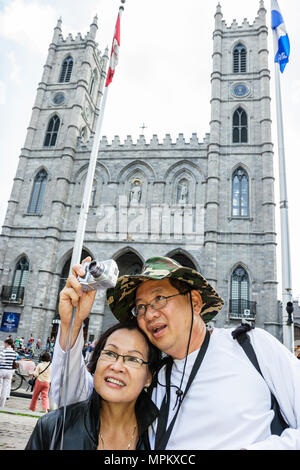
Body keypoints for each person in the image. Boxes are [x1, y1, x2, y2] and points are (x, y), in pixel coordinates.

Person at [50, 256, 300, 450]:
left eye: (159, 298)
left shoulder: (251, 348)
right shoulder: (149, 374)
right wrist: (71, 324)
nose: (149, 314)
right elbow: (73, 400)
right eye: (140, 307)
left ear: (195, 302)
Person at [25, 321, 160, 450]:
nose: (117, 366)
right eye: (110, 353)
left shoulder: (162, 438)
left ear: (149, 377)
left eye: (133, 359)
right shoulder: (52, 428)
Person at [0, 338, 18, 407]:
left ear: (7, 343)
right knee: (5, 388)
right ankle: (2, 405)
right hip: (9, 371)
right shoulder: (14, 353)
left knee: (0, 386)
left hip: (2, 370)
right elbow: (14, 361)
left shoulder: (3, 352)